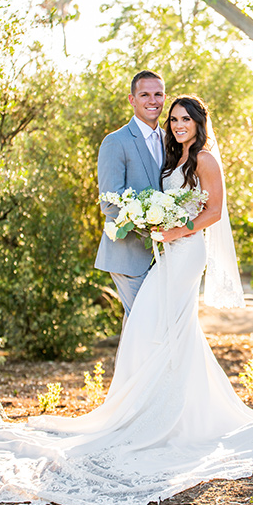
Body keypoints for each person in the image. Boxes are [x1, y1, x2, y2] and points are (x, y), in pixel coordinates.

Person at [0, 96, 253, 505]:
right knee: (159, 327)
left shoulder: (206, 161)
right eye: (174, 118)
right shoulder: (172, 158)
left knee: (167, 324)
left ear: (199, 122)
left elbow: (214, 212)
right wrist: (151, 219)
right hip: (168, 250)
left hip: (186, 252)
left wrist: (179, 229)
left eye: (185, 119)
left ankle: (165, 416)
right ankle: (157, 408)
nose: (178, 125)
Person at [95, 69, 166, 320]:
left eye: (158, 94)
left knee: (144, 329)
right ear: (132, 99)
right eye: (145, 94)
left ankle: (126, 363)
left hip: (165, 257)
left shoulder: (171, 141)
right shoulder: (115, 142)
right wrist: (153, 226)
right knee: (145, 324)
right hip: (128, 256)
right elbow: (109, 203)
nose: (152, 101)